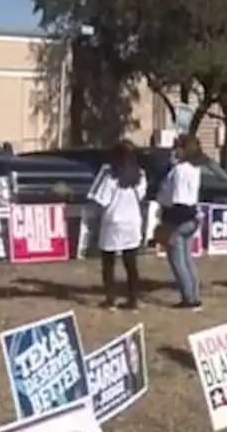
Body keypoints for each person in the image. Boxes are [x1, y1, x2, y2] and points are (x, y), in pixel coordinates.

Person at [87, 140, 148, 310]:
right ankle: (133, 299)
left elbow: (102, 199)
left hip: (113, 221)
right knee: (131, 263)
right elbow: (141, 196)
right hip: (133, 222)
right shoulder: (140, 175)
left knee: (108, 263)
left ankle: (111, 299)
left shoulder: (110, 175)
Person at [157, 133, 204, 311]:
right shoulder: (195, 168)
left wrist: (169, 225)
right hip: (191, 217)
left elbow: (177, 199)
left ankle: (189, 298)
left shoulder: (179, 171)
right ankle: (194, 294)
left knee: (177, 261)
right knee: (187, 259)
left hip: (177, 218)